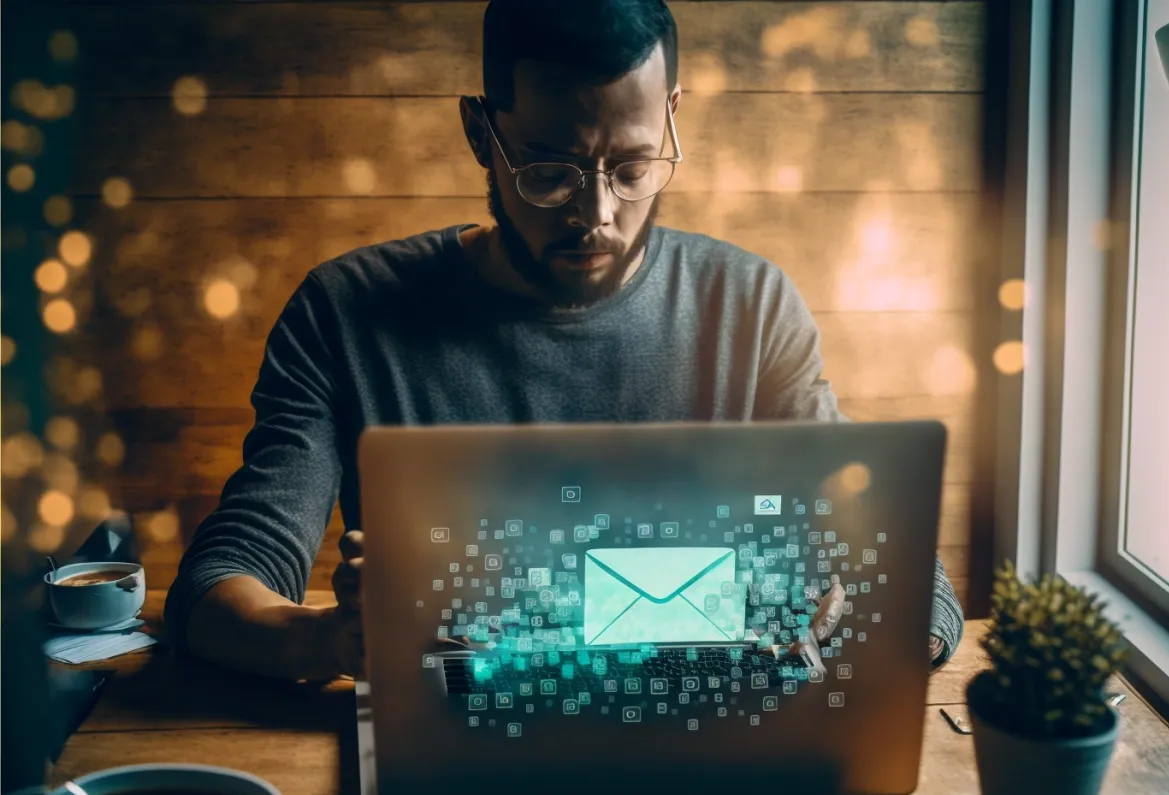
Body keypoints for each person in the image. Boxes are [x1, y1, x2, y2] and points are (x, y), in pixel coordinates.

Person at [162, 0, 964, 681]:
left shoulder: (750, 309)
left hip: (707, 731)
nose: (597, 215)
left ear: (672, 120)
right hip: (464, 734)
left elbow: (910, 580)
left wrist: (852, 629)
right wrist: (325, 640)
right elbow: (218, 585)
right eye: (549, 172)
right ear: (481, 135)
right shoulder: (344, 312)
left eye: (634, 167)